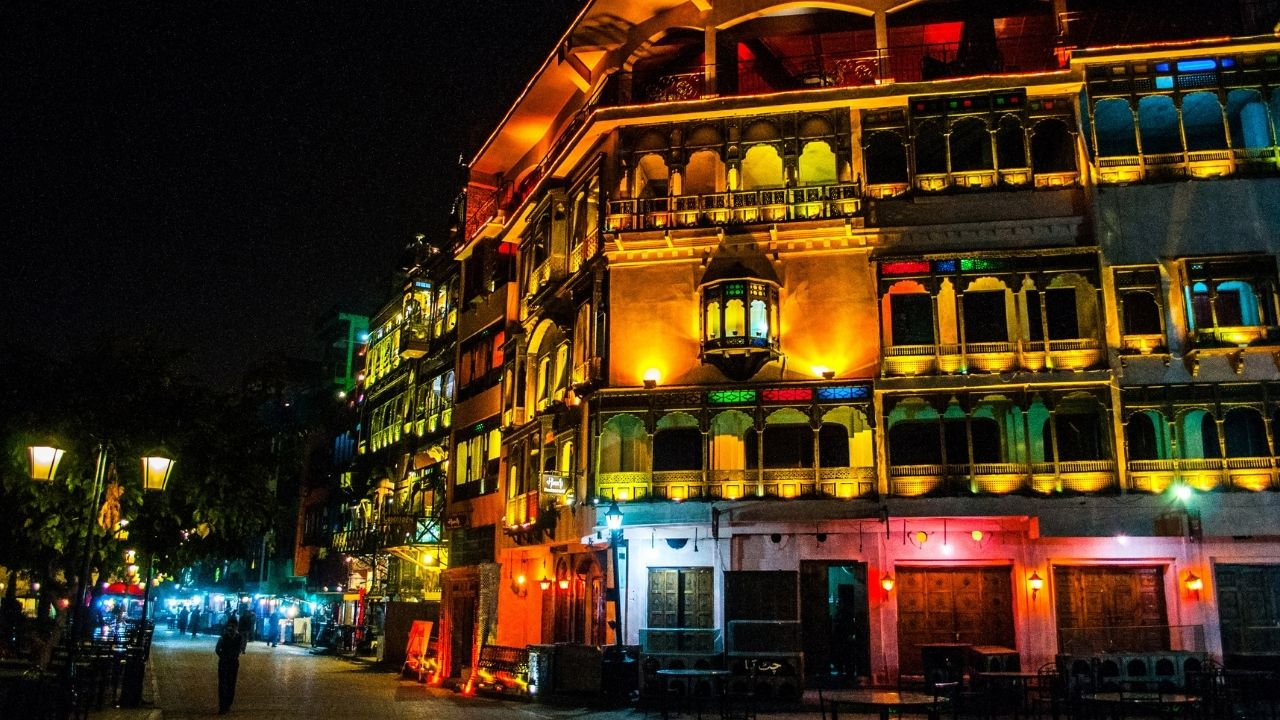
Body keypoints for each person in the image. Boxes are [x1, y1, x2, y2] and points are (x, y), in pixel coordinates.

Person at [214, 618, 243, 714]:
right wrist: (223, 656)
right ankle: (222, 705)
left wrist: (232, 656)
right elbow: (217, 649)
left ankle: (228, 703)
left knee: (231, 684)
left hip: (233, 663)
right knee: (223, 684)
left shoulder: (239, 637)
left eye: (233, 626)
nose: (231, 628)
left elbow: (239, 649)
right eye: (230, 626)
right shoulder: (223, 636)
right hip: (224, 663)